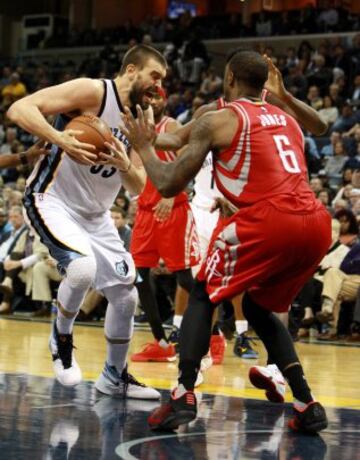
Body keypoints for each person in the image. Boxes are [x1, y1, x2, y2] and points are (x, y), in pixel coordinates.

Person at [123, 49, 331, 433]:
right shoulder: (287, 117)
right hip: (316, 224)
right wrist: (148, 129)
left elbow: (168, 181)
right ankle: (306, 403)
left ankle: (183, 394)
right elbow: (319, 126)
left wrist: (143, 148)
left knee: (203, 293)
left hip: (270, 220)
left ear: (230, 78)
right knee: (256, 307)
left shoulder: (221, 118)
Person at [7, 44, 167, 399]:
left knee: (126, 295)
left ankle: (114, 375)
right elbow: (20, 108)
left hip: (96, 216)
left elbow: (140, 186)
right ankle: (61, 337)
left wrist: (125, 163)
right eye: (154, 75)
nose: (158, 85)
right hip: (53, 201)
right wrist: (59, 137)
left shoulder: (143, 119)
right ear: (130, 70)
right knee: (82, 270)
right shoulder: (94, 91)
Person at [130, 87, 199, 363]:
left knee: (184, 277)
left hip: (173, 206)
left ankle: (212, 333)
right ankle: (161, 342)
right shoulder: (134, 130)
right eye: (148, 96)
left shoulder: (171, 126)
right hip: (146, 211)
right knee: (139, 277)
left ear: (165, 100)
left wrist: (173, 193)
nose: (152, 101)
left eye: (157, 96)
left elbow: (190, 161)